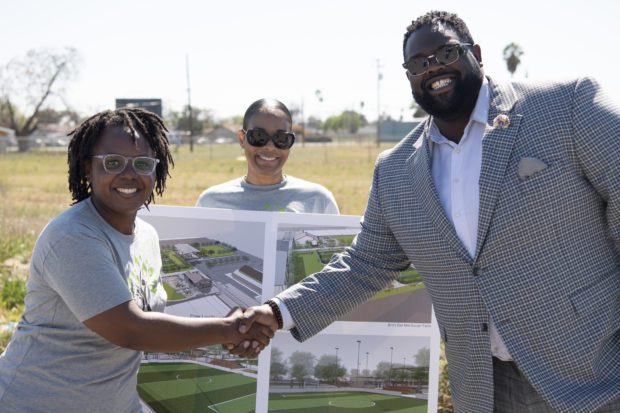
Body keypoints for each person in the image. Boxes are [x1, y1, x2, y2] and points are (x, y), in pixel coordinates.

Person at [234, 10, 620, 413]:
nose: (433, 67)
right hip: (485, 385)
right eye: (419, 63)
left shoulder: (567, 105)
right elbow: (364, 265)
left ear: (477, 53)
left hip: (593, 371)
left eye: (447, 53)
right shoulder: (396, 170)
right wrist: (278, 312)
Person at [0, 108, 273, 412]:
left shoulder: (147, 236)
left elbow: (151, 326)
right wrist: (229, 329)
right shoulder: (73, 236)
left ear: (156, 170)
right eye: (113, 162)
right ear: (87, 168)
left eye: (142, 163)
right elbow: (130, 329)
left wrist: (235, 328)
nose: (129, 174)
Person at [196, 98, 339, 214]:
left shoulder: (318, 201)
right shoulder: (210, 203)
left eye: (281, 138)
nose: (270, 147)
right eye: (259, 136)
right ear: (241, 139)